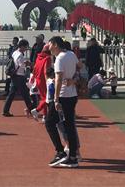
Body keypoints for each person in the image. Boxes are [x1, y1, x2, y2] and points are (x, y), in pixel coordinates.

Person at [44, 36, 80, 168]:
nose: (48, 47)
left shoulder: (59, 58)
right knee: (69, 125)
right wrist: (74, 79)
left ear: (55, 44)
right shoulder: (71, 54)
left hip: (63, 96)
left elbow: (58, 79)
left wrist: (56, 99)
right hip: (72, 95)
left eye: (49, 44)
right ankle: (73, 156)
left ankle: (60, 152)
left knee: (49, 122)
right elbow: (80, 67)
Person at [2, 39, 35, 117]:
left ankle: (5, 110)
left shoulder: (15, 52)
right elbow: (21, 65)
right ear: (22, 46)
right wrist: (28, 64)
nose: (26, 49)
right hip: (19, 76)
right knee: (25, 94)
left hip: (15, 76)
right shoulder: (20, 55)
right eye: (26, 47)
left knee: (12, 94)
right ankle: (31, 110)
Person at [31, 44, 52, 119]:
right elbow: (46, 70)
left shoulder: (38, 57)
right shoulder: (48, 58)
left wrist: (33, 78)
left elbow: (35, 68)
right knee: (47, 98)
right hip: (44, 80)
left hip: (38, 79)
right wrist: (48, 81)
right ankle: (37, 110)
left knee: (43, 98)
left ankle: (45, 115)